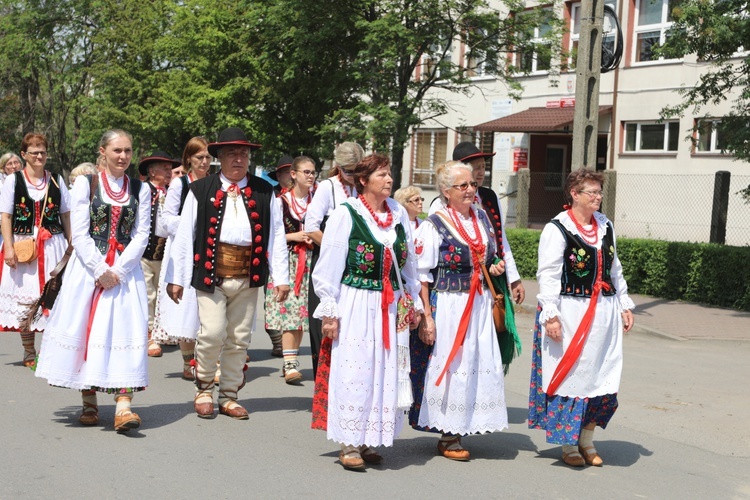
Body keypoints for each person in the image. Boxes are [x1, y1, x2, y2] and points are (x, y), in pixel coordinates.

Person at [167, 127, 290, 420]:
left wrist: (281, 277)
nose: (239, 159)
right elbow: (185, 236)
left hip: (249, 275)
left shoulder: (265, 191)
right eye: (232, 154)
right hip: (211, 275)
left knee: (239, 338)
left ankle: (229, 395)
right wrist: (177, 278)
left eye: (243, 154)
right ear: (219, 157)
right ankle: (205, 389)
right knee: (210, 333)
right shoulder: (200, 190)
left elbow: (277, 235)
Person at [35, 129, 151, 433]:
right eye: (117, 151)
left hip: (125, 274)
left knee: (124, 331)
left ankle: (123, 406)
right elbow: (81, 233)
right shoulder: (86, 184)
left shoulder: (141, 189)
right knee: (87, 329)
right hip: (88, 271)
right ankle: (89, 400)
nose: (124, 156)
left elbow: (141, 234)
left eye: (128, 150)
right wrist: (100, 269)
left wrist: (121, 270)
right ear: (103, 151)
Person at [311, 153, 422, 470]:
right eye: (382, 175)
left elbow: (409, 263)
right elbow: (328, 266)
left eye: (390, 175)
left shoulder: (398, 213)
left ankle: (370, 437)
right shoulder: (346, 214)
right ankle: (349, 442)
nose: (389, 180)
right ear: (363, 181)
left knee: (385, 370)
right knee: (356, 370)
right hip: (357, 303)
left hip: (390, 306)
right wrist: (330, 310)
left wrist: (411, 300)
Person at [528, 168, 635, 467]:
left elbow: (615, 268)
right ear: (574, 194)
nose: (599, 197)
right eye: (593, 192)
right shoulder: (557, 228)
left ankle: (587, 440)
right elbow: (547, 274)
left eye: (600, 192)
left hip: (604, 311)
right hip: (571, 311)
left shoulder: (605, 225)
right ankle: (567, 445)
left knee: (602, 373)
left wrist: (624, 304)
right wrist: (550, 316)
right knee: (572, 373)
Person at [409, 160, 508, 461]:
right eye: (462, 186)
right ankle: (448, 433)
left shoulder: (481, 217)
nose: (469, 190)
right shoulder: (434, 224)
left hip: (477, 303)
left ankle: (464, 423)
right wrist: (427, 316)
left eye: (472, 185)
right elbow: (422, 276)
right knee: (453, 365)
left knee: (475, 362)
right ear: (445, 191)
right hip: (450, 304)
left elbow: (486, 256)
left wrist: (495, 266)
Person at [0, 134, 71, 368]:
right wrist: (9, 247)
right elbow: (6, 215)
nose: (39, 156)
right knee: (25, 296)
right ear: (24, 155)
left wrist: (71, 245)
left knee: (55, 294)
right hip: (24, 247)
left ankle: (51, 350)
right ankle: (29, 351)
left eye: (42, 152)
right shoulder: (14, 181)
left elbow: (65, 214)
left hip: (54, 243)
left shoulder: (57, 180)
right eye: (34, 152)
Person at [429, 142, 525, 307]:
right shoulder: (440, 204)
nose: (481, 172)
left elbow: (501, 240)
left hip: (492, 276)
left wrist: (513, 277)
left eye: (483, 166)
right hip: (457, 287)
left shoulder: (490, 197)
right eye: (476, 167)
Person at [151, 137, 211, 379]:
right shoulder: (180, 185)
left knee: (207, 303)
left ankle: (207, 359)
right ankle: (188, 361)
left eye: (208, 157)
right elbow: (165, 221)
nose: (204, 162)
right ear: (189, 159)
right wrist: (193, 226)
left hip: (207, 249)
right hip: (183, 250)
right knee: (185, 304)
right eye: (199, 158)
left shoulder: (215, 183)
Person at [305, 142, 363, 376]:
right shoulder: (327, 188)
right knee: (327, 324)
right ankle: (324, 382)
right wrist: (337, 249)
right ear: (338, 167)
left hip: (359, 263)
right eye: (348, 171)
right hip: (329, 261)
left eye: (357, 171)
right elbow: (311, 227)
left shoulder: (364, 187)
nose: (353, 176)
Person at [264, 156, 316, 383]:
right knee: (288, 312)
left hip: (312, 261)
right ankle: (289, 364)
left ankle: (292, 360)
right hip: (288, 261)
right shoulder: (279, 202)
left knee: (302, 313)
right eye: (306, 172)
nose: (311, 176)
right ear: (293, 175)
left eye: (313, 172)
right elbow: (270, 236)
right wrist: (292, 236)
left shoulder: (318, 201)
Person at [138, 151, 180, 357]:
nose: (168, 171)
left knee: (163, 293)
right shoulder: (143, 190)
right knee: (147, 295)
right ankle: (149, 336)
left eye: (169, 168)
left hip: (166, 251)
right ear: (152, 171)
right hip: (145, 251)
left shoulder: (173, 192)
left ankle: (164, 331)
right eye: (164, 168)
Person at [264, 155, 294, 357]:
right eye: (284, 171)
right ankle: (276, 339)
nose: (289, 176)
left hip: (300, 254)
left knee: (293, 303)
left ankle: (289, 342)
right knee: (270, 299)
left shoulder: (306, 196)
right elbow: (270, 231)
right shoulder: (273, 196)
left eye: (291, 171)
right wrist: (293, 235)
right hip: (273, 252)